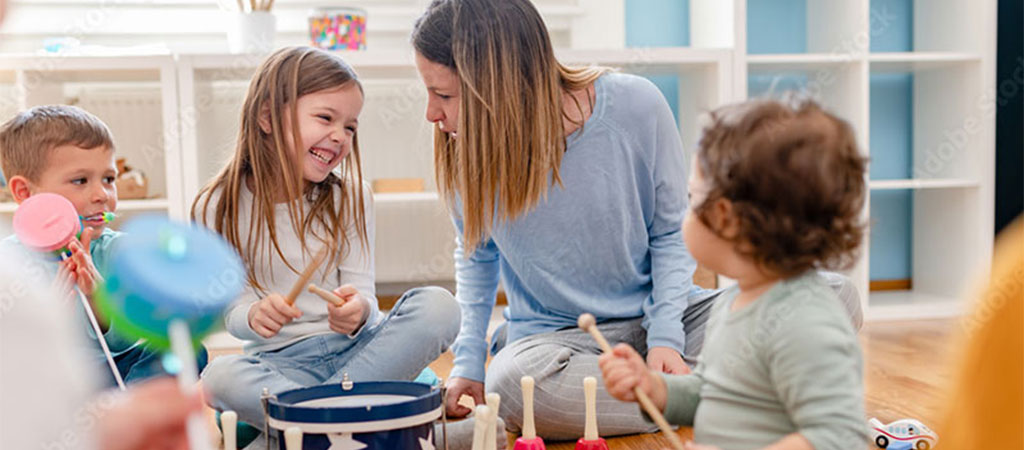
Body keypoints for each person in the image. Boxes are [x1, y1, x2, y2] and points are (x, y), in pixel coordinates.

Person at [195, 46, 460, 444]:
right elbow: (232, 308)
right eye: (325, 118)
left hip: (359, 355)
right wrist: (252, 316)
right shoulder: (216, 206)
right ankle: (362, 426)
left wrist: (359, 311)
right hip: (281, 367)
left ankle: (309, 429)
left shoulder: (351, 196)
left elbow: (364, 295)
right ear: (267, 117)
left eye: (350, 127)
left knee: (439, 306)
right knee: (218, 377)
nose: (340, 136)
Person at [599, 99, 868, 449]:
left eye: (692, 199)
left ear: (724, 217)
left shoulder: (804, 321)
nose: (684, 213)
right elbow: (713, 393)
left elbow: (839, 436)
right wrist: (655, 389)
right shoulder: (736, 302)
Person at [0, 104, 204, 386]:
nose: (102, 194)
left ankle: (128, 406)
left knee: (184, 348)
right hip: (51, 382)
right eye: (80, 180)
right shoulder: (8, 263)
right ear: (25, 192)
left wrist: (99, 299)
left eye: (108, 179)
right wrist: (49, 319)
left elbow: (124, 341)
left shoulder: (120, 252)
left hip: (114, 374)